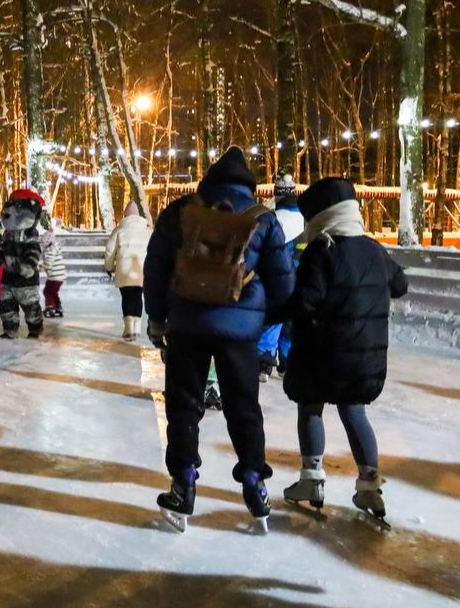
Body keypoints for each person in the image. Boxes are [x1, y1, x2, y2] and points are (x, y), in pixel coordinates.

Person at [143, 146, 294, 532]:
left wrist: (158, 317)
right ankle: (254, 480)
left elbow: (156, 266)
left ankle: (183, 483)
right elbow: (283, 284)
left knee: (184, 405)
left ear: (209, 179)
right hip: (240, 333)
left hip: (187, 323)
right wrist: (258, 319)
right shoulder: (264, 219)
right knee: (243, 406)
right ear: (249, 183)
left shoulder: (181, 211)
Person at [277, 178, 407, 525]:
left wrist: (274, 312)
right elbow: (400, 284)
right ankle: (369, 485)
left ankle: (312, 479)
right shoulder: (374, 249)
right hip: (364, 355)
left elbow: (307, 301)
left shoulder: (323, 249)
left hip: (323, 352)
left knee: (311, 408)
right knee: (355, 413)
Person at [257, 175, 305, 381]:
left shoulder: (273, 219)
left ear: (276, 194)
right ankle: (288, 363)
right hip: (303, 278)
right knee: (291, 324)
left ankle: (264, 361)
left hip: (276, 278)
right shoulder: (306, 218)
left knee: (274, 318)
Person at [0, 189, 45, 339]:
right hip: (8, 278)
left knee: (30, 306)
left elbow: (33, 251)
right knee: (6, 306)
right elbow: (2, 251)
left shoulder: (30, 234)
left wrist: (28, 265)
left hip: (26, 280)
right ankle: (9, 329)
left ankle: (35, 328)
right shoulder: (8, 234)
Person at [104, 201, 153, 341]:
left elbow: (109, 251)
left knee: (127, 298)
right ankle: (136, 328)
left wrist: (108, 267)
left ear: (125, 216)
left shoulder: (119, 231)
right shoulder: (148, 232)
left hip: (124, 271)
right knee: (138, 298)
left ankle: (128, 329)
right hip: (141, 271)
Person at [39, 211, 67, 318]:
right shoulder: (54, 247)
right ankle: (58, 306)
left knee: (48, 291)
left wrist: (39, 267)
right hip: (58, 275)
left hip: (55, 276)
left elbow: (48, 264)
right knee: (53, 292)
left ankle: (50, 307)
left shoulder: (50, 250)